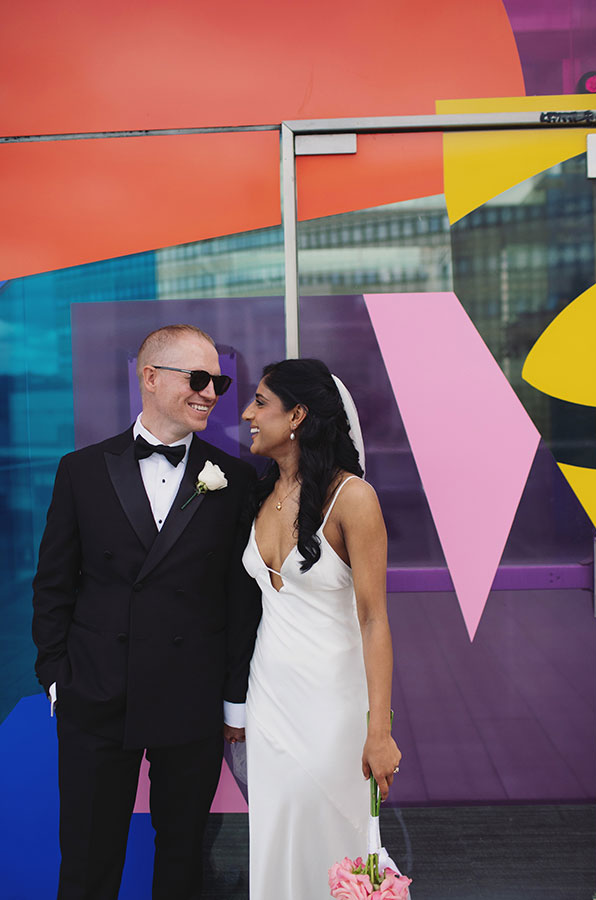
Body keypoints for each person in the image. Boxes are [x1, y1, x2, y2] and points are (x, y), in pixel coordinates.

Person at [32, 324, 261, 900]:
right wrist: (57, 678)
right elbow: (54, 584)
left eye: (218, 383)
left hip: (191, 698)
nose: (211, 393)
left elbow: (241, 601)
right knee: (87, 861)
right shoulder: (81, 470)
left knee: (182, 860)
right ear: (151, 377)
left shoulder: (236, 480)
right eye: (199, 379)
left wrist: (233, 699)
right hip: (95, 694)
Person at [240, 358, 402, 899]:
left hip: (333, 705)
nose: (247, 415)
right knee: (276, 834)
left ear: (297, 415)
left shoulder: (353, 498)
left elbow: (374, 619)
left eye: (260, 402)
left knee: (334, 837)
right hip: (269, 699)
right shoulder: (260, 494)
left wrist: (378, 730)